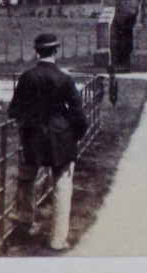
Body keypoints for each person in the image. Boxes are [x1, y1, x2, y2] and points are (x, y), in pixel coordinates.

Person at [9, 33, 89, 252]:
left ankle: (25, 224)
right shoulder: (65, 79)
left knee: (26, 180)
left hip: (32, 136)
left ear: (37, 52)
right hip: (61, 138)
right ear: (56, 51)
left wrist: (29, 118)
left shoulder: (27, 78)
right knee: (62, 186)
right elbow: (80, 116)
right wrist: (75, 135)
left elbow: (14, 110)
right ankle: (57, 239)